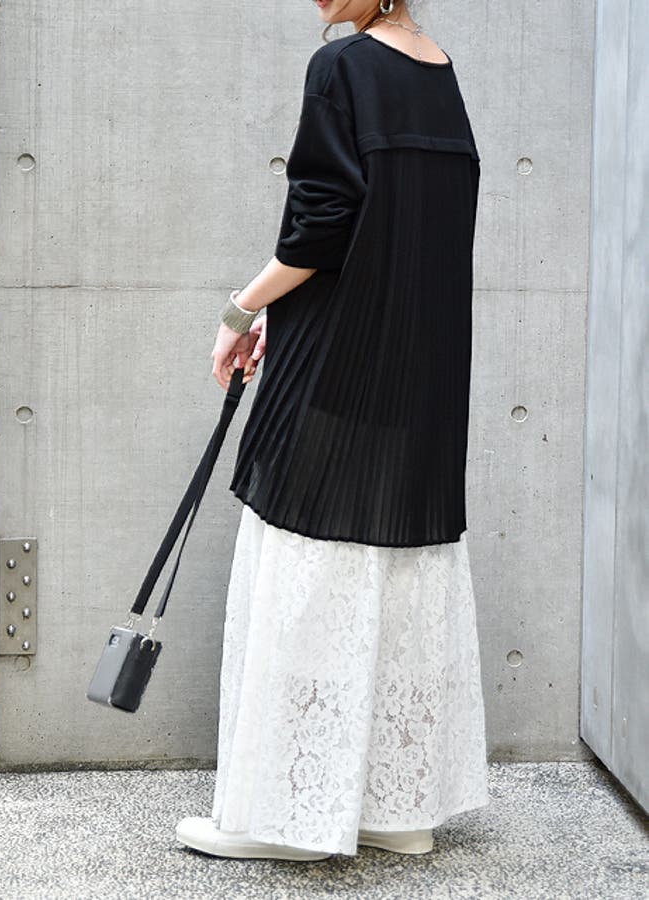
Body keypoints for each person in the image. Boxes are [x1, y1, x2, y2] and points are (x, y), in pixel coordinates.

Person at [175, 0, 491, 861]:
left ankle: (287, 819)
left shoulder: (342, 68)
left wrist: (241, 310)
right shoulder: (441, 73)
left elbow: (320, 223)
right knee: (399, 565)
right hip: (422, 371)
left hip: (340, 361)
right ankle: (397, 808)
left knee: (307, 564)